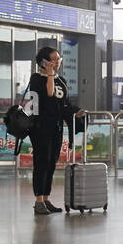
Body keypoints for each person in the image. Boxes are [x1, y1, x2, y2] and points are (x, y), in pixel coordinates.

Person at [25, 46, 81, 216]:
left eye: (58, 59)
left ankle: (46, 197)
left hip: (56, 127)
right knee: (41, 163)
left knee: (51, 163)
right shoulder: (36, 79)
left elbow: (64, 104)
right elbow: (48, 95)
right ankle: (38, 200)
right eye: (53, 59)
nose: (57, 62)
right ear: (43, 62)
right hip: (40, 127)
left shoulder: (61, 80)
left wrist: (75, 112)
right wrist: (49, 75)